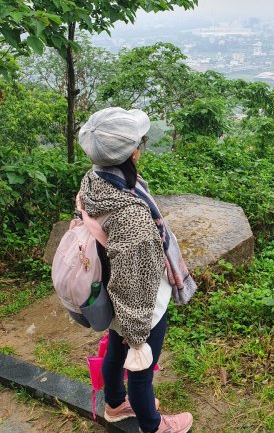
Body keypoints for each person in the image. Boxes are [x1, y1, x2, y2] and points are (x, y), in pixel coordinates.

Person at [78, 107, 197, 433]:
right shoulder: (133, 219)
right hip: (140, 305)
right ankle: (155, 426)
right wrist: (137, 333)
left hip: (111, 287)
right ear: (132, 152)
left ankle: (115, 404)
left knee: (116, 349)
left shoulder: (96, 178)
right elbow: (134, 281)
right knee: (141, 367)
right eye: (138, 142)